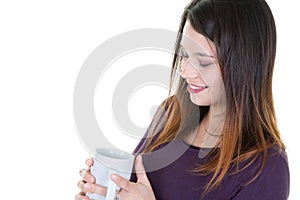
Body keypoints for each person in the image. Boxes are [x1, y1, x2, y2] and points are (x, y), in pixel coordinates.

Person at [75, 0, 290, 199]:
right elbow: (130, 190)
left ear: (245, 65)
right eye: (184, 54)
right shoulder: (171, 114)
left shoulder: (265, 168)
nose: (185, 71)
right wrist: (102, 191)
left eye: (203, 62)